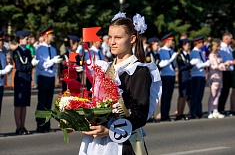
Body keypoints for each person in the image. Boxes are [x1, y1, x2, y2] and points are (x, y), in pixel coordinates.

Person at [78, 12, 162, 155]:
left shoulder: (139, 71)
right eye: (110, 37)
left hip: (123, 142)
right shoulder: (104, 68)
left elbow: (139, 116)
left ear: (132, 39)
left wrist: (110, 131)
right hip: (96, 142)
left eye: (118, 37)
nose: (112, 42)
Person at [35, 25, 63, 133]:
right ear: (46, 35)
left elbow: (53, 65)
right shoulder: (39, 49)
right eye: (51, 34)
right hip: (43, 77)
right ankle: (40, 124)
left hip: (51, 76)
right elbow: (41, 65)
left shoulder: (53, 49)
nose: (53, 36)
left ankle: (47, 124)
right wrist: (52, 62)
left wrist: (56, 64)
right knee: (41, 102)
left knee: (48, 102)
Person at [12, 31, 39, 135]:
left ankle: (23, 126)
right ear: (20, 39)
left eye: (27, 38)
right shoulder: (16, 52)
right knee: (18, 105)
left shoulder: (27, 51)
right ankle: (18, 127)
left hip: (27, 80)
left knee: (24, 105)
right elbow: (20, 67)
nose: (27, 40)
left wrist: (31, 65)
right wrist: (31, 65)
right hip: (20, 80)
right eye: (25, 38)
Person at [158, 32, 178, 121]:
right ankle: (163, 115)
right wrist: (172, 59)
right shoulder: (161, 51)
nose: (173, 42)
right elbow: (163, 63)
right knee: (165, 96)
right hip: (165, 75)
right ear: (167, 41)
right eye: (171, 40)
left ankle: (167, 114)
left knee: (169, 96)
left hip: (172, 74)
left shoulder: (171, 51)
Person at [176, 39, 197, 120]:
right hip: (183, 77)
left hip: (189, 77)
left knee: (188, 95)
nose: (188, 45)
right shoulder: (180, 56)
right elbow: (181, 67)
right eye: (186, 44)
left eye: (188, 44)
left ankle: (189, 112)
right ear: (182, 46)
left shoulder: (188, 55)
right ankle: (179, 113)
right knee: (182, 95)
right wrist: (190, 64)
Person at [190, 36, 211, 119]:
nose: (203, 44)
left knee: (200, 96)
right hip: (196, 76)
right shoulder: (193, 52)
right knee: (195, 95)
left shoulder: (200, 52)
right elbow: (195, 66)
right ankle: (193, 112)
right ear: (197, 43)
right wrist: (206, 64)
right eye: (202, 42)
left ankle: (199, 112)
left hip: (201, 75)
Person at [207, 40, 229, 119]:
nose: (219, 47)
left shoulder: (218, 55)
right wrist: (224, 64)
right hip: (214, 77)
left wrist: (225, 65)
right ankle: (210, 111)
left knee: (218, 94)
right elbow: (215, 66)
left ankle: (215, 110)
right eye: (218, 46)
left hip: (220, 76)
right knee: (213, 94)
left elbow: (221, 65)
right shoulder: (212, 55)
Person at [0, 31, 13, 137]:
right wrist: (3, 71)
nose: (2, 42)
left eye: (3, 40)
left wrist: (8, 69)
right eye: (1, 40)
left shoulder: (3, 54)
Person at [218, 32, 234, 114]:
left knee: (226, 90)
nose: (231, 40)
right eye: (230, 39)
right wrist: (231, 62)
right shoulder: (222, 48)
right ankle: (220, 108)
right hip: (224, 70)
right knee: (223, 90)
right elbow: (222, 59)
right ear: (226, 39)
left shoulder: (228, 48)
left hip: (229, 70)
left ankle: (222, 108)